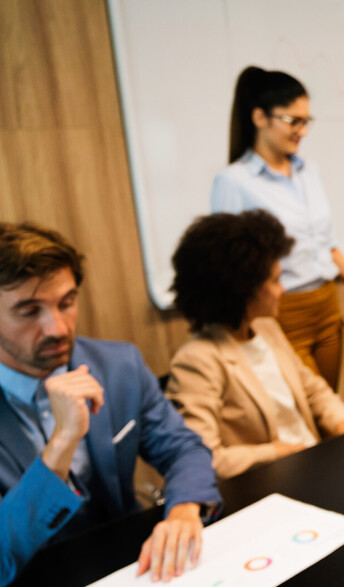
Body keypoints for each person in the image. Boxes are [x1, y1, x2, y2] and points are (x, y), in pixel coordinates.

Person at [0, 223, 221, 585]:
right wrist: (62, 444)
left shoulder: (119, 366)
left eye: (67, 303)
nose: (56, 328)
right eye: (28, 311)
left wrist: (183, 511)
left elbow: (183, 449)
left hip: (131, 568)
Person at [210, 65, 344, 391]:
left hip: (326, 306)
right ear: (259, 117)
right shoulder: (235, 182)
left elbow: (329, 249)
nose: (302, 130)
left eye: (306, 121)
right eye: (293, 120)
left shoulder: (309, 172)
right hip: (278, 314)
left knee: (328, 402)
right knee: (304, 413)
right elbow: (229, 270)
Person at [166, 211, 344, 481]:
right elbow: (205, 458)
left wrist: (343, 427)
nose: (283, 290)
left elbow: (313, 390)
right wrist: (274, 453)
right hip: (270, 484)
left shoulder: (266, 328)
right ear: (243, 290)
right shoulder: (197, 361)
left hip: (313, 468)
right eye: (275, 280)